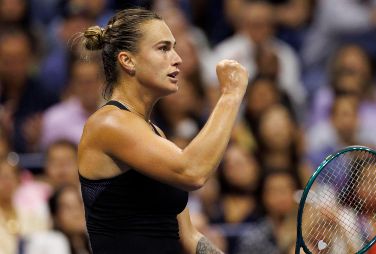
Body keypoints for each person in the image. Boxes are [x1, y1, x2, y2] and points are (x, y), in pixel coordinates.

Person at [77, 8, 248, 254]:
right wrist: (230, 95)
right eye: (163, 48)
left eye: (174, 47)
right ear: (127, 60)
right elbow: (193, 172)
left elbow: (188, 236)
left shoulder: (154, 133)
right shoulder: (108, 124)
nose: (177, 58)